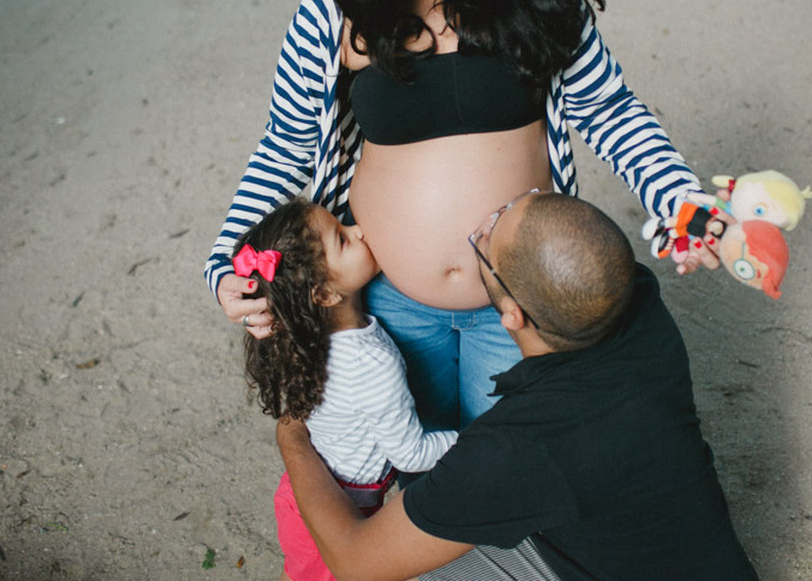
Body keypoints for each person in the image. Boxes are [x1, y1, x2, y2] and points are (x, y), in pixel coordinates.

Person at [206, 0, 726, 431]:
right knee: (415, 479)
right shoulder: (330, 14)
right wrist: (227, 260)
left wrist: (682, 202)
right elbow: (285, 147)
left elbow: (609, 111)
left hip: (518, 303)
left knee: (513, 476)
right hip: (385, 301)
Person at [275, 191, 760, 581]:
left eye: (486, 243)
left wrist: (293, 438)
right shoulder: (638, 301)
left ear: (512, 316)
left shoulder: (518, 446)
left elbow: (355, 563)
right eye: (508, 205)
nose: (485, 220)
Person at [232, 197, 458, 581]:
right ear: (324, 295)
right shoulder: (371, 364)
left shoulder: (307, 338)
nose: (358, 230)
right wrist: (475, 438)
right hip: (336, 512)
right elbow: (411, 453)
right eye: (343, 238)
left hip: (301, 495)